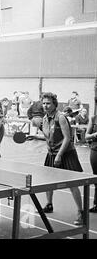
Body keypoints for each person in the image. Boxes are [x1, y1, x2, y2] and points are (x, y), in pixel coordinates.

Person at [35, 92, 84, 225]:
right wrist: (35, 137)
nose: (45, 105)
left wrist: (59, 155)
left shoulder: (60, 117)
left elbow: (67, 138)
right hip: (52, 153)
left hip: (66, 153)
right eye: (44, 103)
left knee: (72, 184)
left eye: (48, 103)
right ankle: (49, 204)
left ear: (54, 104)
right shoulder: (45, 118)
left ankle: (81, 212)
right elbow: (49, 136)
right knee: (47, 181)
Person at [85, 112, 97, 213]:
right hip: (95, 151)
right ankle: (96, 204)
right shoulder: (93, 118)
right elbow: (86, 136)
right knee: (96, 178)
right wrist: (95, 134)